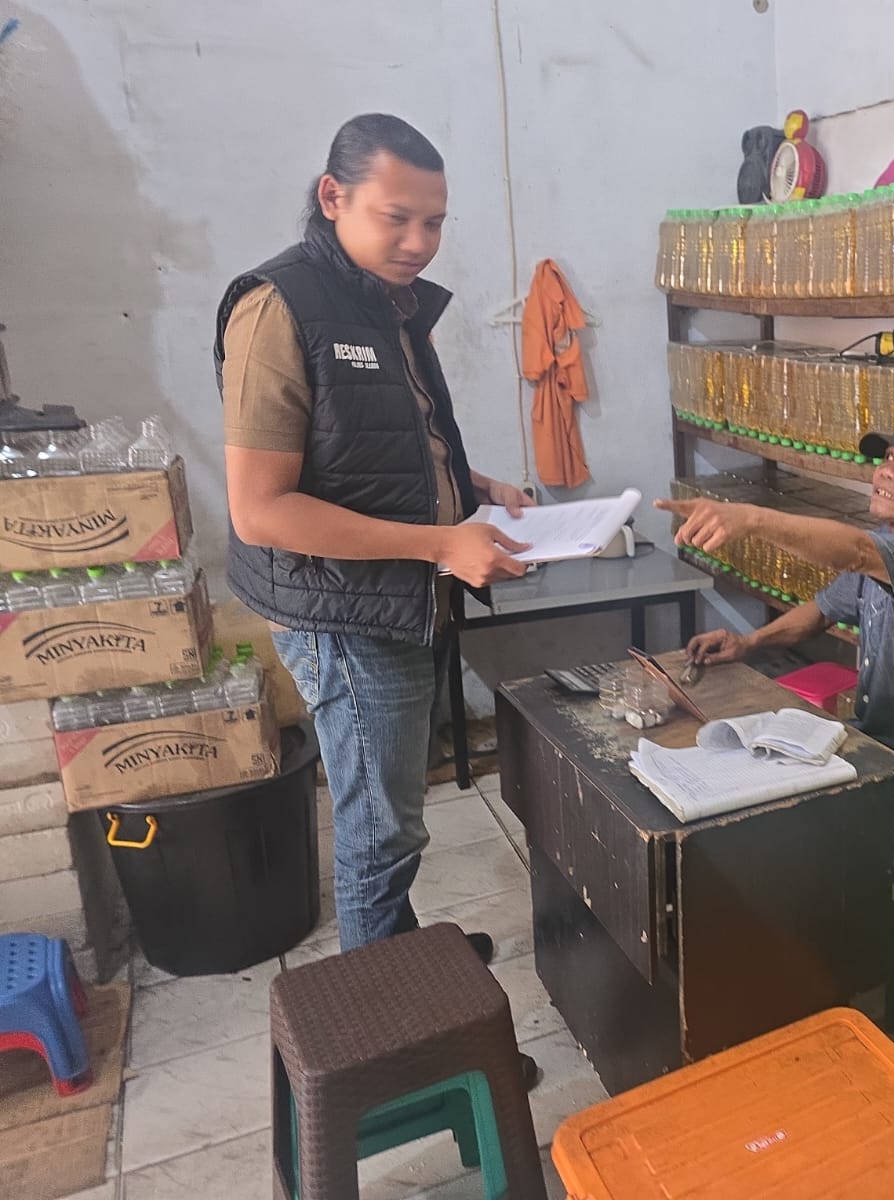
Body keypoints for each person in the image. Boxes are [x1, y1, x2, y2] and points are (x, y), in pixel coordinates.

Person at [217, 115, 540, 1080]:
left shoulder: (383, 301)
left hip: (398, 597)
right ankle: (393, 1045)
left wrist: (475, 488)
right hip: (344, 616)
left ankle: (398, 952)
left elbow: (379, 449)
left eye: (434, 222)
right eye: (398, 217)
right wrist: (442, 542)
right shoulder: (280, 307)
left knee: (392, 814)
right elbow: (262, 510)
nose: (420, 241)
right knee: (377, 831)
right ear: (333, 197)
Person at [657, 416, 894, 845]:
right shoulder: (889, 544)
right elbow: (821, 610)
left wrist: (751, 519)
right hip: (875, 745)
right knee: (743, 777)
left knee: (782, 825)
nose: (887, 472)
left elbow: (855, 551)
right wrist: (748, 642)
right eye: (889, 459)